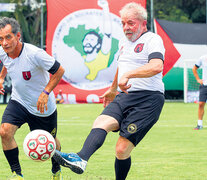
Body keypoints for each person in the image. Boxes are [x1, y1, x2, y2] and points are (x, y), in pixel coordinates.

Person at [53, 2, 165, 180]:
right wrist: (113, 89)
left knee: (121, 150)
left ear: (143, 24)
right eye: (123, 23)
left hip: (149, 99)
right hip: (124, 95)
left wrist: (129, 75)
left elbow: (157, 66)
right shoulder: (124, 43)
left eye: (131, 23)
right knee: (102, 121)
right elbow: (122, 67)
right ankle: (81, 158)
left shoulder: (153, 40)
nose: (126, 27)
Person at [0, 17, 65, 180]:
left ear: (18, 36)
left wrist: (46, 92)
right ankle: (17, 174)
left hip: (42, 107)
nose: (5, 42)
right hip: (19, 101)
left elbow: (59, 71)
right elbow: (6, 64)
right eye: (1, 39)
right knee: (4, 132)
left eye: (8, 37)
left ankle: (56, 170)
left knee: (51, 142)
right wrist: (1, 78)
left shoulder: (35, 54)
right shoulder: (3, 50)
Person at [192, 55, 207, 130]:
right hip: (204, 85)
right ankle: (199, 125)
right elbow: (194, 69)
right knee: (201, 104)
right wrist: (198, 79)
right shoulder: (202, 58)